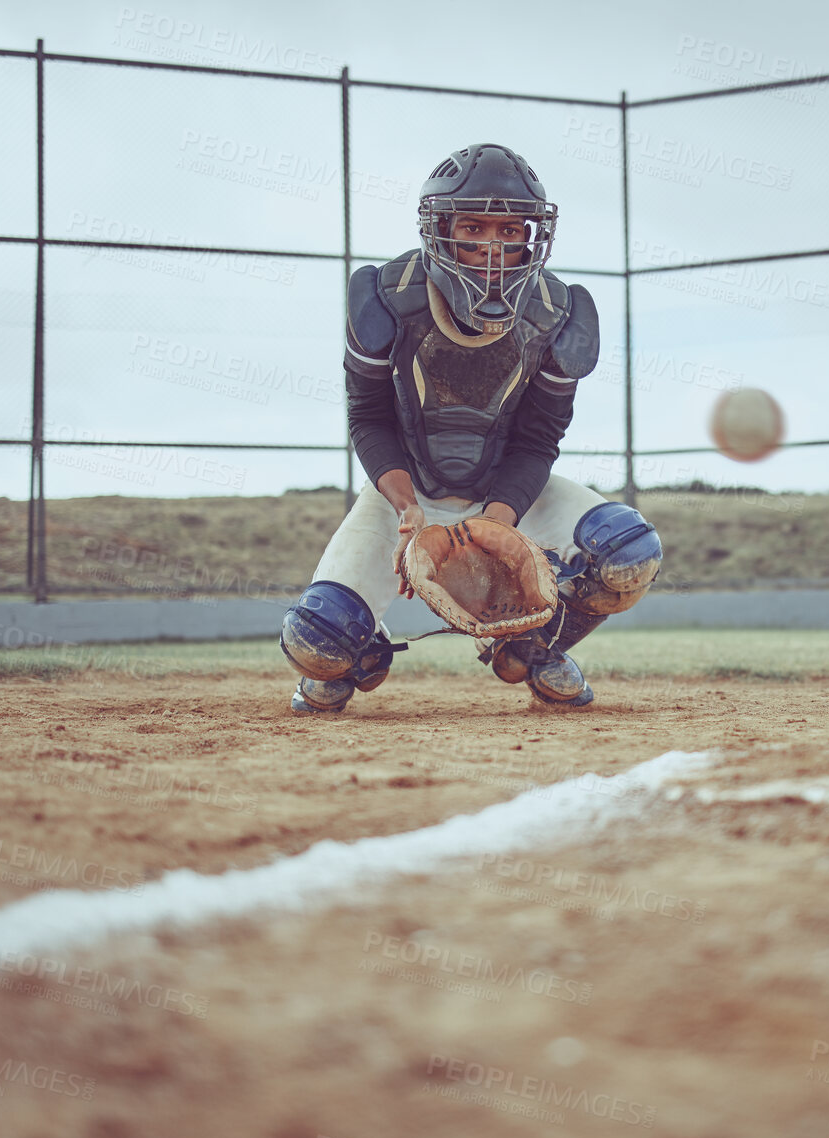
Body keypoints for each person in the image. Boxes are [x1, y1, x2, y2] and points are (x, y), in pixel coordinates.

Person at [279, 143, 662, 713]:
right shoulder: (385, 298)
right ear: (439, 230)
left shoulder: (559, 315)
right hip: (404, 496)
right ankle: (363, 650)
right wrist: (408, 508)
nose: (492, 249)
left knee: (629, 553)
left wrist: (497, 523)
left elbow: (538, 440)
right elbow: (368, 417)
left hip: (506, 492)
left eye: (511, 232)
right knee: (319, 643)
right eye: (474, 227)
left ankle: (534, 644)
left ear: (534, 236)